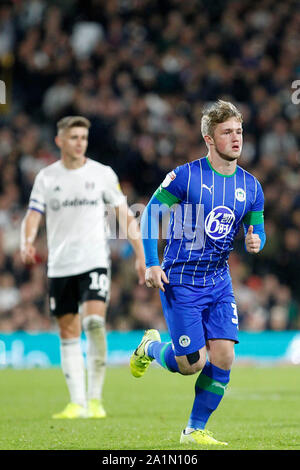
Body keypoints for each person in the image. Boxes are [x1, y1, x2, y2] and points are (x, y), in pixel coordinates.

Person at [130, 100, 266, 446]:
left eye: (239, 131)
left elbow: (257, 228)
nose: (236, 139)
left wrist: (256, 240)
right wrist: (151, 262)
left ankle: (193, 430)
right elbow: (151, 215)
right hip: (181, 281)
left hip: (219, 281)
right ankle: (150, 348)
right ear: (209, 138)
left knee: (224, 355)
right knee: (190, 363)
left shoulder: (251, 186)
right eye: (227, 133)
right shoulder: (185, 176)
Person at [21, 116, 145, 419]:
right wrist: (27, 241)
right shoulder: (47, 178)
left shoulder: (102, 174)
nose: (80, 142)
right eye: (74, 137)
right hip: (60, 265)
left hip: (94, 261)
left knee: (93, 324)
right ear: (59, 141)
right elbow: (33, 215)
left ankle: (95, 399)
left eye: (83, 137)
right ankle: (76, 402)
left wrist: (142, 254)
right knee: (68, 332)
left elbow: (125, 216)